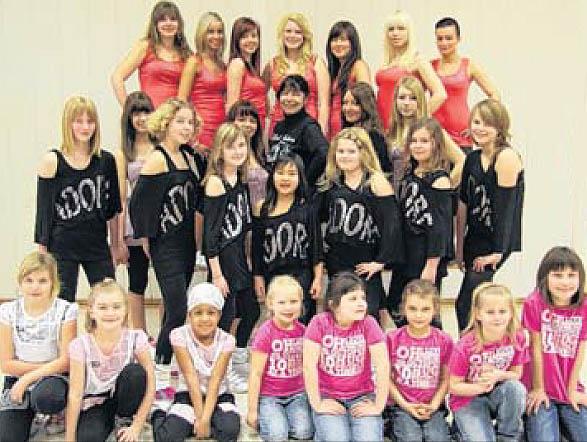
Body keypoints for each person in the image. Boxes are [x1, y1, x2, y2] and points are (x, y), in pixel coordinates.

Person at [130, 98, 204, 365]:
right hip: (166, 246)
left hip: (186, 244)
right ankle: (160, 365)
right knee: (178, 310)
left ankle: (167, 360)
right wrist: (147, 238)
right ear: (166, 123)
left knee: (174, 309)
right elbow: (138, 204)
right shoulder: (157, 160)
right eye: (180, 121)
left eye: (190, 123)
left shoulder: (188, 156)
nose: (186, 127)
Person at [35, 96, 121, 302]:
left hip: (97, 244)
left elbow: (113, 209)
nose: (85, 127)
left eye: (90, 121)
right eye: (78, 121)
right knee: (63, 304)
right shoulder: (52, 161)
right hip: (62, 246)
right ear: (68, 124)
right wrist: (42, 252)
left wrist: (116, 245)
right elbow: (44, 213)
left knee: (108, 299)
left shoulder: (106, 161)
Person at [318, 127, 403, 318]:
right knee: (337, 313)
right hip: (337, 262)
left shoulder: (375, 182)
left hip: (364, 263)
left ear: (363, 153)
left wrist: (380, 261)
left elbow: (392, 225)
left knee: (366, 313)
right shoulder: (331, 182)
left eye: (351, 151)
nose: (345, 156)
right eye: (340, 151)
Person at [455, 99, 524, 331]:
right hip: (475, 237)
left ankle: (471, 347)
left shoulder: (506, 157)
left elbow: (507, 209)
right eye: (476, 122)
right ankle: (474, 345)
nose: (480, 128)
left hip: (496, 241)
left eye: (488, 123)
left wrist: (498, 251)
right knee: (468, 304)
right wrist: (459, 246)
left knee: (466, 303)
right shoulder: (472, 158)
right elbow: (463, 204)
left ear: (500, 127)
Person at [303, 272, 389, 442]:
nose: (361, 303)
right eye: (352, 299)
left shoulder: (369, 323)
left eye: (362, 298)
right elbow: (308, 366)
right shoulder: (319, 323)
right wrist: (317, 403)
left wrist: (378, 406)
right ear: (333, 304)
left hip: (362, 396)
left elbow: (383, 366)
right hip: (327, 395)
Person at [65, 279, 155, 442]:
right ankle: (106, 420)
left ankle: (124, 418)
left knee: (136, 373)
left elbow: (151, 383)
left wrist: (137, 426)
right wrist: (69, 438)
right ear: (91, 311)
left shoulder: (136, 338)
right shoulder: (80, 345)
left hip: (124, 397)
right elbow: (75, 394)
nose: (110, 313)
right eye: (102, 307)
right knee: (88, 438)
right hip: (96, 401)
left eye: (116, 307)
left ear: (125, 310)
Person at [0, 251, 77, 441]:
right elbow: (6, 364)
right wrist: (24, 380)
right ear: (20, 282)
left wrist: (29, 378)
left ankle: (53, 413)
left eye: (42, 281)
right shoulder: (7, 311)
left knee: (47, 398)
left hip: (54, 378)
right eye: (29, 280)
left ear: (53, 283)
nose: (35, 287)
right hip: (18, 379)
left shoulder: (66, 310)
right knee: (8, 437)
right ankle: (29, 413)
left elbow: (66, 362)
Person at [151, 283, 241, 442]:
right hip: (188, 393)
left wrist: (204, 420)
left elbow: (215, 380)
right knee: (168, 437)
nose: (205, 318)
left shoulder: (227, 341)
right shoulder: (179, 336)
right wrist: (200, 418)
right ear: (189, 315)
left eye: (211, 313)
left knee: (229, 431)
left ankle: (205, 419)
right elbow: (190, 376)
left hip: (218, 394)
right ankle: (158, 413)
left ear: (219, 315)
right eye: (198, 313)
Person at [388, 118, 454, 326]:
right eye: (414, 140)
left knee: (425, 311)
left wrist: (431, 265)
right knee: (397, 305)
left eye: (424, 141)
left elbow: (440, 228)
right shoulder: (410, 174)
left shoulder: (440, 180)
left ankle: (437, 345)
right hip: (406, 253)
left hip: (425, 255)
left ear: (436, 144)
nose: (418, 145)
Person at [202, 123, 258, 368]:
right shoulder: (216, 183)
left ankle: (238, 355)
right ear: (220, 150)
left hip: (239, 258)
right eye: (231, 147)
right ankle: (218, 367)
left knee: (251, 311)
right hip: (223, 261)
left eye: (241, 145)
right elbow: (210, 235)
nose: (237, 151)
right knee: (225, 317)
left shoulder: (241, 181)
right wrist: (216, 274)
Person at [449, 283, 528, 442]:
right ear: (478, 314)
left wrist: (499, 375)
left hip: (497, 393)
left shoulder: (517, 337)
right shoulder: (465, 345)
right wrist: (479, 387)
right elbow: (453, 386)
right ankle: (460, 429)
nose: (497, 317)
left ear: (511, 313)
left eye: (502, 311)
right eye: (490, 312)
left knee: (516, 388)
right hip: (467, 400)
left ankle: (508, 436)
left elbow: (517, 373)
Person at [523, 247, 587, 441]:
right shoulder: (534, 302)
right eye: (557, 275)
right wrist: (538, 388)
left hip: (567, 387)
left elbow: (581, 349)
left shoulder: (584, 306)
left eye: (571, 275)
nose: (565, 282)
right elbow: (535, 348)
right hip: (540, 388)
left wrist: (572, 390)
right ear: (545, 278)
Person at [252, 152, 323, 324]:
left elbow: (316, 247)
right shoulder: (262, 208)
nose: (285, 178)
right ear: (272, 176)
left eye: (291, 174)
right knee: (277, 322)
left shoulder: (307, 208)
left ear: (300, 178)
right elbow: (257, 247)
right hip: (273, 275)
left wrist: (318, 279)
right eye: (280, 173)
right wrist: (257, 276)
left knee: (301, 323)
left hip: (301, 275)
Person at [247, 276, 314, 441]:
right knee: (277, 435)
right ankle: (269, 417)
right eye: (282, 302)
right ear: (271, 304)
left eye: (293, 301)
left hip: (297, 394)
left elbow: (310, 367)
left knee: (304, 432)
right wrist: (252, 410)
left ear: (301, 303)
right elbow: (255, 373)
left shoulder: (304, 331)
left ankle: (283, 417)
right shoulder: (265, 332)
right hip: (269, 396)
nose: (288, 307)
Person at [387, 279, 453, 442]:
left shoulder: (444, 340)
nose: (418, 315)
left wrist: (434, 404)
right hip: (401, 406)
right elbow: (386, 379)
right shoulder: (391, 339)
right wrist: (405, 405)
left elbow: (446, 379)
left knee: (437, 438)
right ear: (403, 308)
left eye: (425, 309)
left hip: (433, 406)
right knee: (411, 437)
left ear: (435, 310)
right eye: (412, 308)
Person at [113, 91, 156, 333]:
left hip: (162, 222)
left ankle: (167, 337)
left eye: (146, 112)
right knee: (137, 280)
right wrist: (118, 239)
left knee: (168, 283)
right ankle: (140, 334)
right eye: (136, 113)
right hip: (135, 223)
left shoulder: (161, 146)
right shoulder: (123, 153)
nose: (141, 118)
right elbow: (120, 198)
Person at [432, 17, 500, 150]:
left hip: (461, 136)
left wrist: (480, 125)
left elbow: (494, 94)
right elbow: (414, 93)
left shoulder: (469, 65)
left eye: (449, 38)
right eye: (440, 39)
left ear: (458, 39)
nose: (444, 43)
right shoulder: (429, 67)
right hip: (435, 135)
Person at [387, 75, 465, 191]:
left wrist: (443, 190)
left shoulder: (430, 128)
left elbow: (462, 161)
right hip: (398, 195)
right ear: (395, 100)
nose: (406, 103)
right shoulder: (393, 130)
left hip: (422, 197)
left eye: (413, 98)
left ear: (420, 101)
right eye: (402, 97)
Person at [111, 1, 192, 108]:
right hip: (150, 115)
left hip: (177, 115)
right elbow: (117, 77)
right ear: (155, 24)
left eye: (173, 19)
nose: (168, 23)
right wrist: (129, 110)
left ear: (179, 24)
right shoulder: (145, 47)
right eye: (162, 20)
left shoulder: (186, 54)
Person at [376, 10, 446, 132]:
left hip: (404, 128)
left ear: (409, 32)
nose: (395, 33)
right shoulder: (387, 62)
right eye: (391, 29)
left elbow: (440, 94)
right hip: (382, 127)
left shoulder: (417, 60)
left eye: (401, 28)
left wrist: (417, 120)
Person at [264, 12, 329, 135]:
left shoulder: (316, 62)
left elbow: (323, 103)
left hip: (309, 125)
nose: (292, 36)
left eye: (298, 32)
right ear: (282, 34)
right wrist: (268, 114)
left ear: (304, 36)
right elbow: (260, 93)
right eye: (288, 31)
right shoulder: (273, 63)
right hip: (279, 124)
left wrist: (320, 132)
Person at [268, 74, 329, 192]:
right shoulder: (279, 126)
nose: (289, 98)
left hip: (298, 193)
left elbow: (323, 153)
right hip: (279, 189)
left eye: (296, 94)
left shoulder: (308, 126)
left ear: (305, 99)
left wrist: (304, 181)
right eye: (285, 93)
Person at [178, 12, 226, 150]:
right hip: (201, 130)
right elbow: (181, 101)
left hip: (221, 128)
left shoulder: (222, 64)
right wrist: (192, 139)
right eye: (211, 32)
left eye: (220, 32)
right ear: (202, 34)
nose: (216, 36)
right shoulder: (194, 62)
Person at [326, 20, 370, 140]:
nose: (338, 44)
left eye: (343, 40)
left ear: (353, 43)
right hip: (334, 131)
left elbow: (366, 103)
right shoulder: (334, 71)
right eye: (334, 40)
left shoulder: (359, 66)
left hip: (352, 132)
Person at [341, 81, 392, 174]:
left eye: (354, 103)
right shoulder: (344, 133)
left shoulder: (374, 136)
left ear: (366, 106)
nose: (347, 108)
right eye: (345, 103)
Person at [226, 17, 267, 130]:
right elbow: (232, 105)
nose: (250, 40)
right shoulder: (237, 64)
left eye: (254, 36)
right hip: (244, 127)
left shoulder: (253, 67)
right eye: (244, 37)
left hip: (256, 127)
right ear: (237, 41)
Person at [226, 100, 268, 209]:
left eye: (252, 121)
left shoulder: (259, 152)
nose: (248, 124)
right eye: (242, 120)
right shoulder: (227, 155)